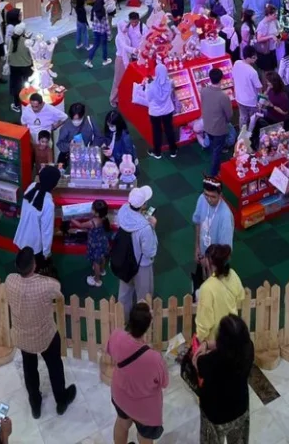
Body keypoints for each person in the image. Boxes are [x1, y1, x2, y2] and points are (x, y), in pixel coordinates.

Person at [3, 246, 77, 418]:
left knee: (29, 368)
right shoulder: (46, 285)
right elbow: (58, 291)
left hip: (22, 335)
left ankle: (35, 403)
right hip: (45, 336)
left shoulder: (10, 280)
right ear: (34, 265)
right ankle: (61, 399)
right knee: (55, 366)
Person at [108, 300, 168, 444]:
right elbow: (164, 383)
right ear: (147, 327)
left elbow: (111, 353)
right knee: (145, 437)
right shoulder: (154, 358)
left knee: (122, 424)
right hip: (145, 409)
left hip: (119, 395)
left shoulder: (116, 335)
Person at [196, 315, 253, 444]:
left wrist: (203, 346)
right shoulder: (249, 349)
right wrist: (209, 344)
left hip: (215, 414)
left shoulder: (211, 361)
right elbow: (233, 345)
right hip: (240, 408)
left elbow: (197, 362)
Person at [193, 243, 243, 358]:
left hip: (214, 342)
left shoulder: (207, 288)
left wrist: (201, 340)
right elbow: (240, 296)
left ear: (211, 263)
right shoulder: (233, 275)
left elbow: (204, 322)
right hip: (231, 333)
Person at [114, 185, 158, 309]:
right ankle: (143, 325)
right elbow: (150, 252)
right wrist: (152, 227)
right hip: (142, 265)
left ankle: (122, 320)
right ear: (143, 205)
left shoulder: (123, 210)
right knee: (144, 297)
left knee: (124, 294)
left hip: (124, 260)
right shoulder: (145, 228)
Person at [13, 165, 60, 270]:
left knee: (23, 261)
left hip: (22, 234)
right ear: (54, 184)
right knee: (33, 268)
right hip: (34, 243)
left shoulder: (32, 186)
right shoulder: (48, 203)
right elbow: (47, 230)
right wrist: (46, 252)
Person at [199, 65, 235, 177]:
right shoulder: (223, 96)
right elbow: (229, 115)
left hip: (207, 125)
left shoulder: (204, 91)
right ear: (221, 79)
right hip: (219, 128)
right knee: (217, 151)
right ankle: (214, 173)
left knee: (213, 146)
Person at [141, 60, 178, 159]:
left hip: (155, 112)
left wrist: (147, 85)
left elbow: (148, 98)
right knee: (169, 129)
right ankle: (173, 150)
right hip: (168, 110)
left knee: (156, 131)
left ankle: (157, 152)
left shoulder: (152, 86)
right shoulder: (170, 82)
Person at [230, 47, 261, 131]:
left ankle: (242, 134)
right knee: (253, 119)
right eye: (254, 57)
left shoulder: (237, 63)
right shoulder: (253, 72)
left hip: (239, 98)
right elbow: (259, 88)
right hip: (251, 101)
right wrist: (260, 99)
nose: (256, 58)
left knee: (243, 117)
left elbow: (232, 78)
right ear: (248, 58)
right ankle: (250, 134)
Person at [89, 0, 113, 67]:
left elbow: (93, 21)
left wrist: (94, 29)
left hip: (96, 31)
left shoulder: (94, 9)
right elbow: (106, 24)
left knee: (95, 45)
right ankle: (105, 60)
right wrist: (109, 35)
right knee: (104, 46)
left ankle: (89, 60)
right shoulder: (103, 10)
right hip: (103, 32)